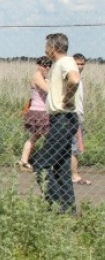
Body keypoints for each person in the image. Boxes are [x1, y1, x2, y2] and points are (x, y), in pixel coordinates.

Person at [31, 33, 80, 213]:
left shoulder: (65, 62)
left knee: (41, 163)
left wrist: (66, 98)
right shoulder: (62, 63)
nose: (45, 51)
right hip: (64, 120)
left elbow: (74, 79)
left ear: (53, 48)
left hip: (62, 120)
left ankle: (57, 206)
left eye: (47, 47)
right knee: (61, 167)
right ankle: (68, 209)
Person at [17, 56, 51, 172]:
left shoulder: (44, 78)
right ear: (39, 65)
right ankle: (44, 162)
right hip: (39, 112)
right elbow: (49, 90)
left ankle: (24, 161)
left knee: (35, 137)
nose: (47, 68)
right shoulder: (37, 76)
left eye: (49, 65)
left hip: (43, 111)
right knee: (47, 138)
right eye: (44, 65)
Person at [71, 53, 89, 185]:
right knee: (75, 147)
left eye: (82, 64)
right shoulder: (72, 78)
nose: (80, 66)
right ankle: (75, 175)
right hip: (74, 115)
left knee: (73, 146)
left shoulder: (78, 78)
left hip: (78, 114)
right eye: (77, 63)